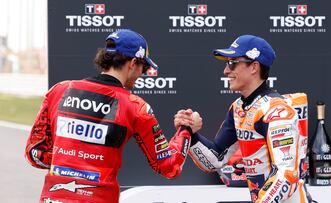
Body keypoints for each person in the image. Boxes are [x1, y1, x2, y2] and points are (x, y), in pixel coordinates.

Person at [25, 29, 202, 203]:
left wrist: (67, 162)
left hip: (54, 198)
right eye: (144, 67)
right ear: (133, 63)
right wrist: (185, 130)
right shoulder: (136, 107)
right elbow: (169, 166)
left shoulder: (60, 90)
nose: (142, 74)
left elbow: (35, 153)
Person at [175, 35, 314, 203]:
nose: (226, 70)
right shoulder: (238, 107)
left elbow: (286, 175)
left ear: (254, 67)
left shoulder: (278, 111)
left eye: (232, 63)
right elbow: (214, 161)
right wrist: (190, 132)